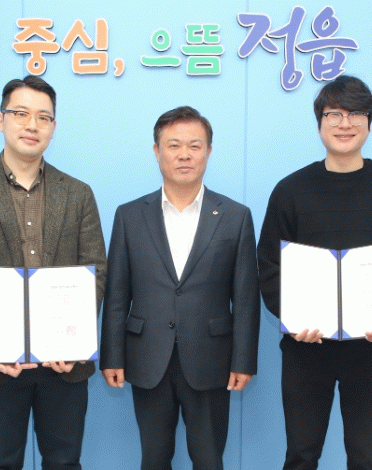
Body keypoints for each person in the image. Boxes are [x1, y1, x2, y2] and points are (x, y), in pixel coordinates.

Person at [0, 75, 107, 470]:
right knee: (1, 463)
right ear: (1, 120)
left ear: (53, 127)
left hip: (63, 364)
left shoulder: (78, 193)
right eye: (21, 114)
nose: (32, 125)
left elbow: (96, 270)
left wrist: (74, 341)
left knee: (64, 462)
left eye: (43, 117)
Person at [257, 75, 372, 470]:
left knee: (366, 457)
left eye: (356, 114)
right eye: (334, 114)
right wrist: (292, 318)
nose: (345, 123)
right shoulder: (290, 190)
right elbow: (269, 266)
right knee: (301, 455)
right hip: (306, 346)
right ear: (320, 123)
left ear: (369, 122)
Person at [100, 106, 261, 470]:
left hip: (211, 359)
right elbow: (117, 294)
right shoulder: (130, 215)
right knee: (154, 459)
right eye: (174, 145)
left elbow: (246, 299)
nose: (184, 154)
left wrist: (243, 360)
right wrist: (112, 355)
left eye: (194, 145)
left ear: (208, 151)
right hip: (147, 357)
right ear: (157, 151)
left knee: (209, 459)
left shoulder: (235, 217)